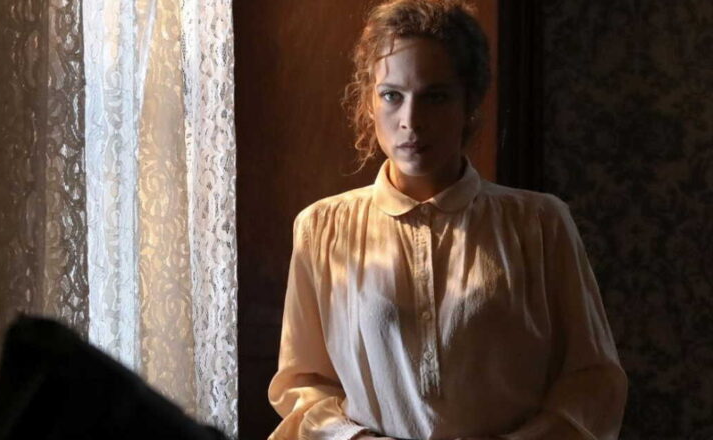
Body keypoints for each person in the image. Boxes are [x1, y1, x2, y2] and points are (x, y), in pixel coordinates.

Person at [267, 1, 627, 439]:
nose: (411, 121)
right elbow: (303, 385)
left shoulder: (538, 223)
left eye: (435, 96)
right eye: (392, 96)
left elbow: (592, 380)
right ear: (369, 101)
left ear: (468, 102)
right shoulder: (324, 229)